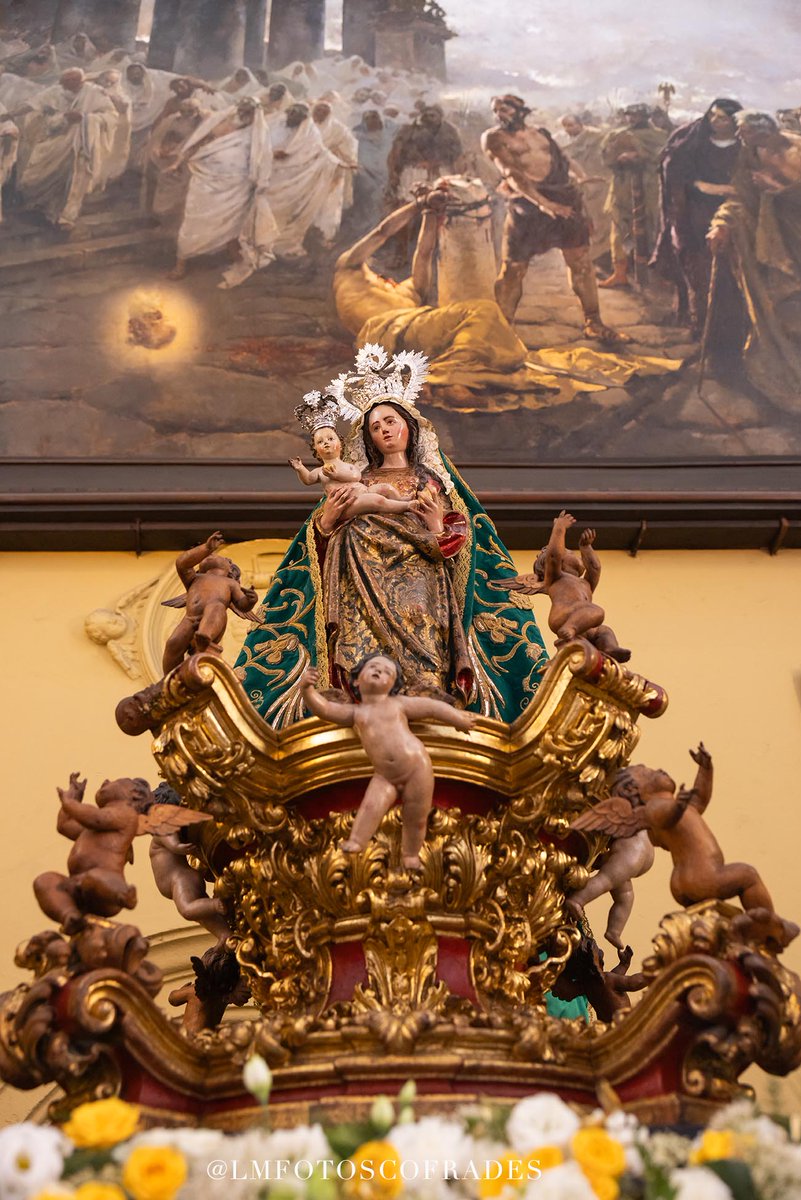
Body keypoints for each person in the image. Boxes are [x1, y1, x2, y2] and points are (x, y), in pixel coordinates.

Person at [235, 345, 550, 727]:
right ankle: (359, 704)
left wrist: (436, 526)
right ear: (367, 439)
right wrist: (327, 523)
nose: (384, 430)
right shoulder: (357, 479)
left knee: (420, 621)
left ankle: (425, 700)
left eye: (390, 421)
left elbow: (455, 539)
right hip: (358, 574)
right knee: (358, 641)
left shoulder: (431, 480)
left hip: (419, 573)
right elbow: (316, 546)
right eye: (375, 426)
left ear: (409, 426)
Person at [301, 655, 475, 869]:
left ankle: (410, 855)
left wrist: (458, 719)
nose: (378, 672)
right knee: (371, 806)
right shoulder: (356, 713)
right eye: (372, 667)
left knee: (416, 817)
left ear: (393, 685)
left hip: (417, 768)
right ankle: (357, 841)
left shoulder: (398, 704)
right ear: (356, 681)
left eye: (386, 672)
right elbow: (325, 710)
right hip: (385, 776)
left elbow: (432, 708)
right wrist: (307, 690)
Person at [481, 94, 621, 342]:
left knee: (581, 262)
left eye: (505, 109)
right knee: (513, 268)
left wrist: (581, 177)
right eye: (496, 110)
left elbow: (564, 159)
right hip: (528, 205)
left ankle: (593, 322)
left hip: (564, 200)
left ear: (520, 110)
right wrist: (544, 204)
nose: (499, 115)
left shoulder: (541, 133)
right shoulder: (494, 138)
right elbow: (512, 174)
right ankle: (502, 330)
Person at [706, 110, 801, 405]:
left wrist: (775, 188)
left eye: (748, 133)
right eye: (741, 133)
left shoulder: (796, 149)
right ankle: (784, 371)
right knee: (777, 308)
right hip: (769, 244)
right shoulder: (749, 155)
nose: (741, 138)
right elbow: (740, 198)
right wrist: (722, 224)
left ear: (767, 131)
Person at [651, 98, 746, 354]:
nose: (716, 121)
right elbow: (678, 176)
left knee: (731, 277)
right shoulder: (693, 141)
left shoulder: (744, 145)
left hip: (734, 214)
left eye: (723, 118)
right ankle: (702, 329)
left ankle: (729, 335)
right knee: (700, 274)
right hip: (695, 215)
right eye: (713, 115)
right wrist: (708, 187)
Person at [170, 96, 278, 288]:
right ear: (237, 109)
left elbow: (263, 160)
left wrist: (260, 184)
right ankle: (181, 263)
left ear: (256, 114)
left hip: (237, 187)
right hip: (206, 183)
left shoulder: (259, 133)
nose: (245, 115)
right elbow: (196, 142)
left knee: (232, 226)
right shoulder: (221, 122)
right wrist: (178, 162)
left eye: (250, 112)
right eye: (243, 110)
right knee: (193, 223)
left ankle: (234, 255)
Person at [16, 67, 119, 228]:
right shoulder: (57, 91)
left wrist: (85, 118)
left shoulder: (95, 93)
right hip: (58, 139)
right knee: (43, 172)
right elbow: (34, 104)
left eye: (70, 82)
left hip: (81, 144)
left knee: (75, 180)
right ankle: (47, 209)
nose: (65, 85)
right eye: (64, 82)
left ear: (80, 81)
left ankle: (67, 216)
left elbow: (112, 117)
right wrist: (63, 118)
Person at [599, 101, 667, 287]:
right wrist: (620, 157)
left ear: (646, 117)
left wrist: (641, 156)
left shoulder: (659, 136)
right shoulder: (616, 135)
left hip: (649, 188)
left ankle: (657, 275)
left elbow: (663, 158)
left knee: (653, 228)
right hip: (622, 188)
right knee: (620, 229)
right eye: (629, 115)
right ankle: (620, 273)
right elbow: (606, 158)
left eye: (637, 115)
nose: (632, 118)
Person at [266, 102, 343, 258]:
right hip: (269, 175)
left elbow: (320, 152)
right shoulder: (274, 126)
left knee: (287, 213)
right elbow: (260, 145)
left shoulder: (311, 133)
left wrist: (338, 164)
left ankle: (280, 245)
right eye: (291, 114)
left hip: (295, 180)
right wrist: (271, 154)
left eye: (297, 116)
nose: (292, 117)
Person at [387, 104, 462, 201]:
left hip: (441, 171)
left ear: (440, 117)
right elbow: (399, 152)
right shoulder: (409, 130)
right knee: (411, 200)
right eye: (426, 115)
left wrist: (436, 162)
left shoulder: (450, 131)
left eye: (432, 115)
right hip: (415, 171)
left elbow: (456, 151)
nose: (429, 118)